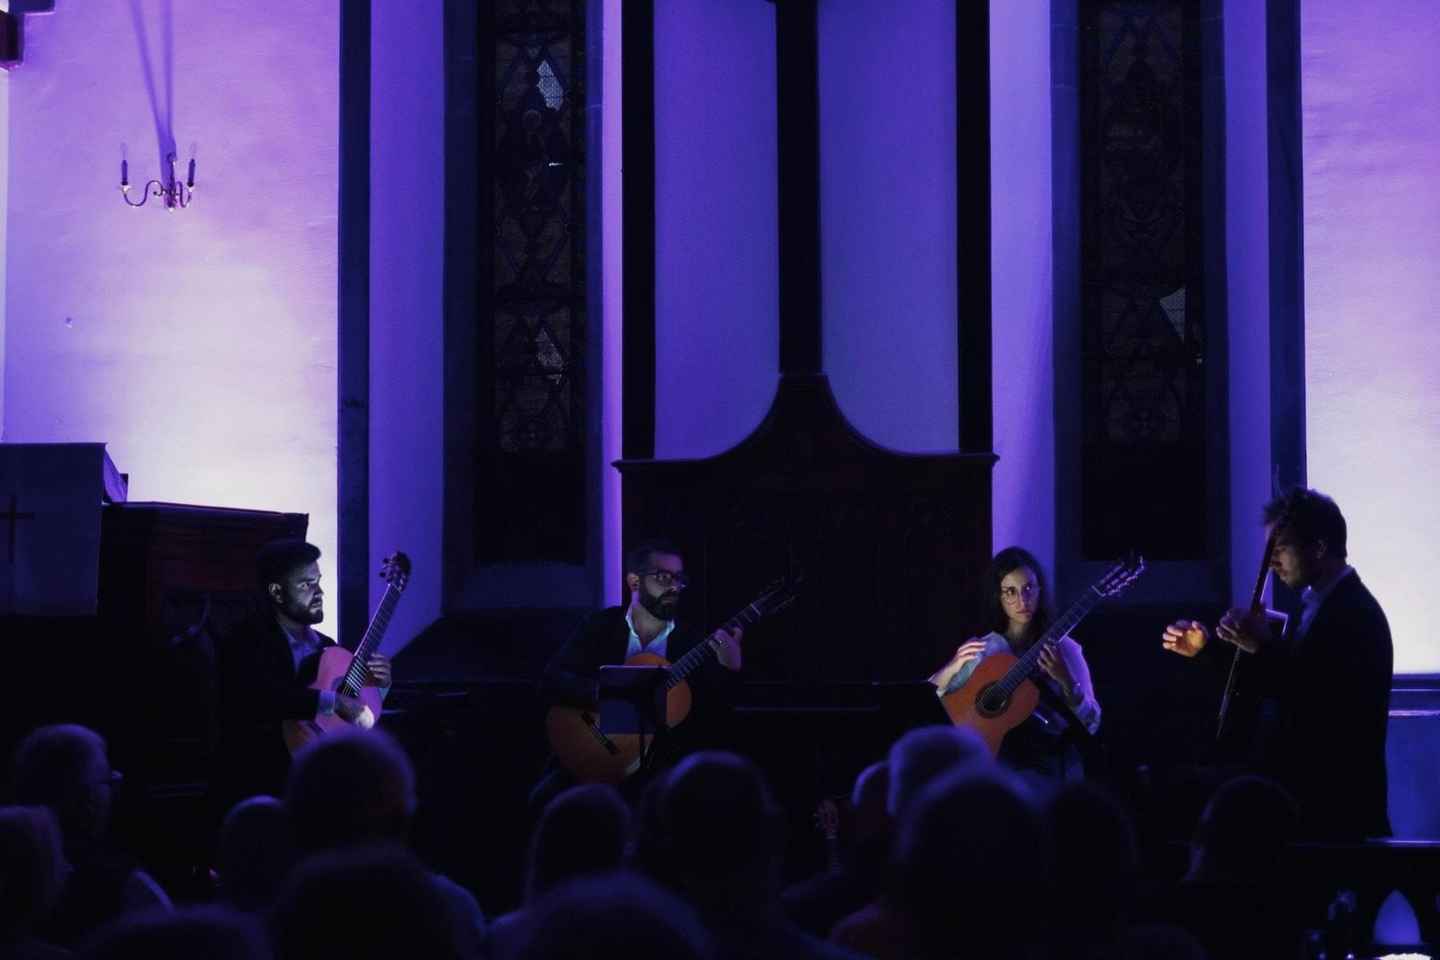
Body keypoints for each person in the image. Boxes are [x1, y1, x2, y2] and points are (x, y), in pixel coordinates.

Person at [1161, 487, 1393, 839]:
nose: (1271, 563)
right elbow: (1280, 679)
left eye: (1280, 549)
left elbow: (1314, 698)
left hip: (1331, 800)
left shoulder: (1354, 614)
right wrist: (1207, 648)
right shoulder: (1322, 605)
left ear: (1318, 548)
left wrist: (1261, 646)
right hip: (1302, 788)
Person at [532, 539, 742, 808]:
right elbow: (551, 680)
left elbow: (719, 721)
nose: (674, 586)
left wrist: (731, 669)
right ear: (634, 582)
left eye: (679, 578)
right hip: (587, 754)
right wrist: (607, 694)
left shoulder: (691, 643)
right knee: (544, 797)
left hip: (658, 768)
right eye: (664, 577)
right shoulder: (600, 627)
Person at [213, 539, 392, 812]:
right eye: (306, 585)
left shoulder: (328, 645)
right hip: (262, 790)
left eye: (318, 581)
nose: (319, 592)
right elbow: (264, 697)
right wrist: (333, 701)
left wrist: (381, 686)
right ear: (277, 592)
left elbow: (356, 719)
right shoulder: (245, 640)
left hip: (322, 787)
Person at [928, 546, 1102, 782]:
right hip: (987, 771)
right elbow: (929, 704)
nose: (1022, 600)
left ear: (1040, 589)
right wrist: (951, 668)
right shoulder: (984, 650)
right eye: (1010, 591)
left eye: (1029, 588)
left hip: (1049, 769)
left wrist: (1066, 679)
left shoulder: (1065, 649)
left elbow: (1092, 724)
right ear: (998, 597)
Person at [11, 724, 171, 948]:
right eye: (108, 781)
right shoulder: (130, 892)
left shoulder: (10, 878)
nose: (115, 792)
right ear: (86, 798)